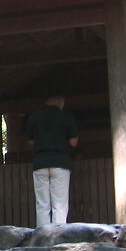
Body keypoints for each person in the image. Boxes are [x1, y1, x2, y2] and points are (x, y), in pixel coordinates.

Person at [27, 94, 79, 226]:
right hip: (60, 162)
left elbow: (31, 141)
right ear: (61, 102)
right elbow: (73, 142)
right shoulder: (66, 117)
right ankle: (58, 236)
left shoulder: (34, 117)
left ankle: (43, 235)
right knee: (59, 203)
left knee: (42, 203)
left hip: (40, 162)